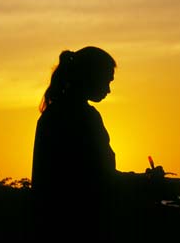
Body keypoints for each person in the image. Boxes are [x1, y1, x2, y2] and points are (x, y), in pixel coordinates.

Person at [31, 46, 119, 240]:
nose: (108, 89)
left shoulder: (52, 115)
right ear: (90, 76)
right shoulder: (84, 118)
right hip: (79, 224)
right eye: (106, 81)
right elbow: (97, 180)